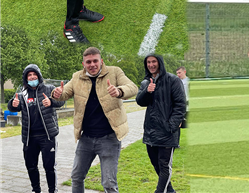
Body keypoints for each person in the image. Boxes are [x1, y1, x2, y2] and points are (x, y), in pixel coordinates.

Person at [51, 46, 138, 193]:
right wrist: (56, 92)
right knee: (76, 177)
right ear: (83, 64)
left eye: (95, 61)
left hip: (109, 137)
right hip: (86, 138)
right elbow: (64, 93)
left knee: (109, 183)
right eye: (88, 62)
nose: (92, 65)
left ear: (101, 61)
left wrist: (119, 91)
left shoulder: (115, 72)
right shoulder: (77, 77)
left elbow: (133, 87)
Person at [7, 65, 64, 193]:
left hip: (47, 137)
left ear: (38, 76)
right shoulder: (22, 93)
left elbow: (61, 101)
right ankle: (36, 190)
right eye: (29, 75)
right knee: (31, 167)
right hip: (29, 138)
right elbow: (13, 106)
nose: (32, 77)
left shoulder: (49, 89)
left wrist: (51, 101)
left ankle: (52, 190)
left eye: (34, 74)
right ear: (26, 78)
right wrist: (12, 104)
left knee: (49, 167)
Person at [136, 54, 187, 193]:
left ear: (160, 63)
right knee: (156, 165)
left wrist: (171, 126)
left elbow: (180, 105)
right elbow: (140, 101)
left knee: (164, 167)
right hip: (150, 133)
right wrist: (147, 91)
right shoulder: (146, 82)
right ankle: (170, 191)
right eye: (148, 62)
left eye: (154, 61)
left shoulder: (173, 80)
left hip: (167, 133)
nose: (151, 65)